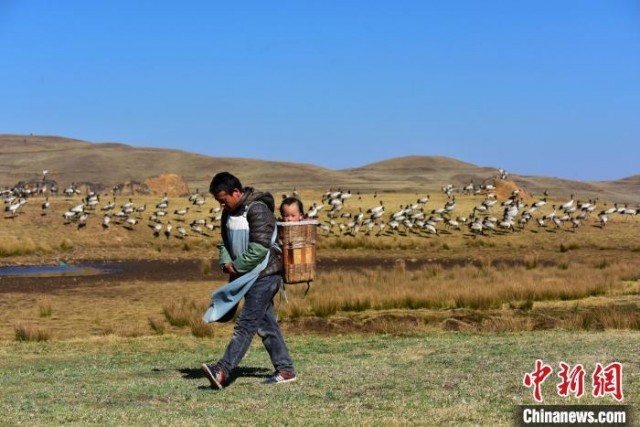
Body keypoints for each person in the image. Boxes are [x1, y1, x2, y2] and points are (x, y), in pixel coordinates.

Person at [201, 172, 296, 389]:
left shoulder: (258, 209)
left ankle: (222, 371)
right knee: (266, 325)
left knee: (245, 324)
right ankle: (286, 370)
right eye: (219, 202)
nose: (222, 205)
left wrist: (236, 267)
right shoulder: (228, 212)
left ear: (236, 192)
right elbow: (224, 242)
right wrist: (225, 262)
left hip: (265, 274)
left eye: (224, 200)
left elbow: (260, 247)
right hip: (246, 276)